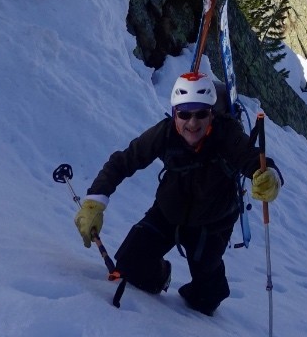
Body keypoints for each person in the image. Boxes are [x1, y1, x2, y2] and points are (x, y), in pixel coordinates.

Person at [73, 67, 282, 316]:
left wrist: (268, 176)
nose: (192, 123)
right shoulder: (165, 133)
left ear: (212, 115)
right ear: (175, 114)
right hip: (168, 212)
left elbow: (251, 158)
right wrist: (95, 201)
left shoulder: (227, 134)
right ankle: (162, 274)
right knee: (130, 266)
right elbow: (124, 161)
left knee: (205, 301)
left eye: (201, 114)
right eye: (184, 114)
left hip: (212, 224)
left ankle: (206, 288)